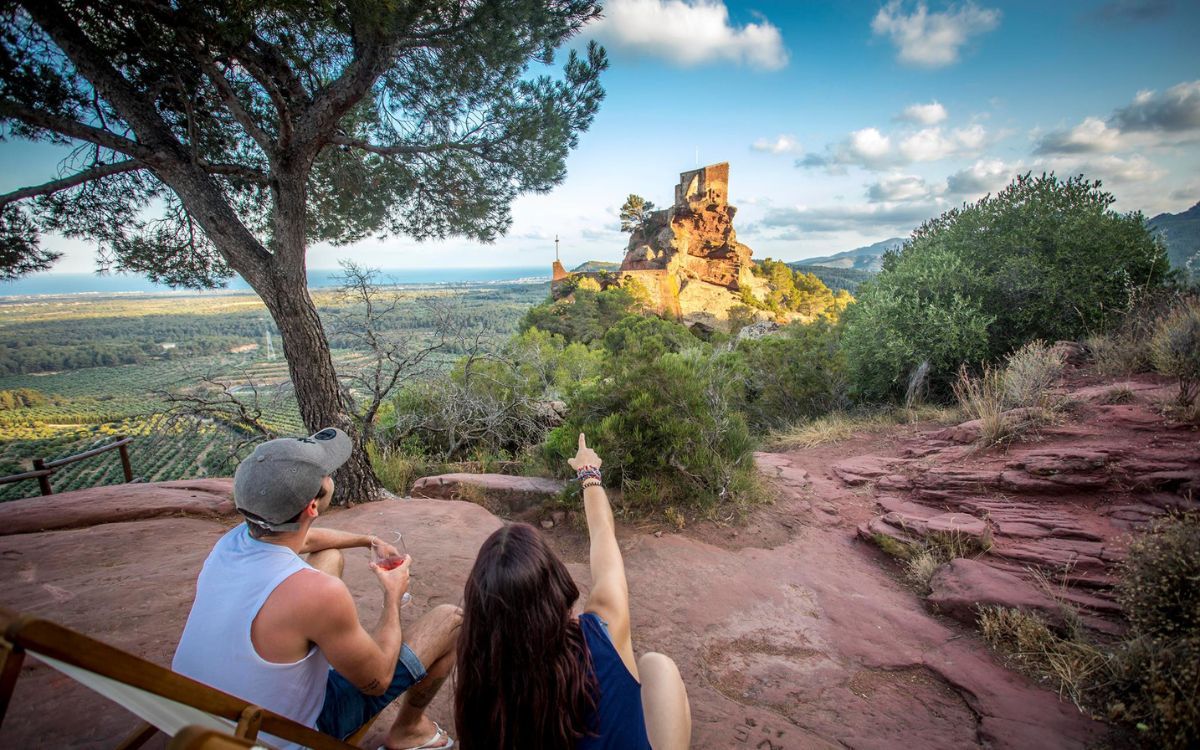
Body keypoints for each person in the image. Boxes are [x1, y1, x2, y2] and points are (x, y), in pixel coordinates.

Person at [173, 428, 459, 750]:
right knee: (451, 620)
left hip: (206, 725)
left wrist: (368, 540)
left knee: (328, 556)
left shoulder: (232, 542)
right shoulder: (318, 593)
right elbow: (377, 681)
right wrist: (391, 597)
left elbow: (306, 540)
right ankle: (409, 730)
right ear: (312, 506)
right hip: (287, 736)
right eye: (325, 473)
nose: (329, 474)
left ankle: (327, 644)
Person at [454, 433, 691, 749]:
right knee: (658, 667)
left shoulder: (479, 680)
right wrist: (589, 473)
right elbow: (603, 536)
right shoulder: (601, 634)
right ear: (555, 584)